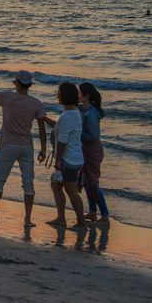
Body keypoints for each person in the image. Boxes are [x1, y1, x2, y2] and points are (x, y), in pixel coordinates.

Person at [0, 72, 49, 225]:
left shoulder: (7, 96)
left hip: (8, 145)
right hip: (26, 146)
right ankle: (28, 219)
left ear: (17, 84)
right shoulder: (36, 103)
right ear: (30, 85)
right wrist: (43, 149)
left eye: (15, 82)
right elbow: (42, 129)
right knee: (28, 183)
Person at [47, 81, 88, 230]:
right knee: (56, 185)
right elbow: (60, 129)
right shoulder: (74, 113)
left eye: (58, 92)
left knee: (71, 192)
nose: (57, 95)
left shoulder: (67, 116)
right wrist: (43, 118)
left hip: (68, 160)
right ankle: (61, 218)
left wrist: (57, 161)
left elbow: (63, 140)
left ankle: (82, 223)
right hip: (74, 158)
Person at [78, 82, 109, 226]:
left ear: (87, 96)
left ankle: (104, 216)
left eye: (79, 93)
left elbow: (92, 136)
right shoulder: (83, 109)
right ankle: (92, 212)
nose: (77, 95)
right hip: (85, 150)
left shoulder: (90, 114)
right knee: (86, 181)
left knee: (93, 183)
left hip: (92, 150)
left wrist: (77, 134)